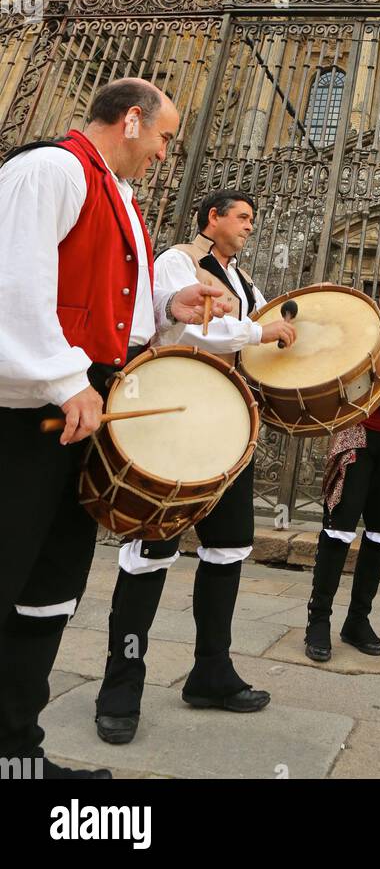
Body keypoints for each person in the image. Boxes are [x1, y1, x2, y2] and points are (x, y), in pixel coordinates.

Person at [0, 79, 219, 779]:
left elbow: (107, 300)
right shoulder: (49, 169)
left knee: (49, 590)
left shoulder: (118, 194)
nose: (164, 153)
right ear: (131, 119)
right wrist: (68, 381)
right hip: (27, 416)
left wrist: (169, 302)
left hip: (75, 407)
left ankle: (15, 754)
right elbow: (14, 285)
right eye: (162, 137)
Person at [94, 188, 296, 745]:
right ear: (214, 217)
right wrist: (260, 331)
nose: (250, 226)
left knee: (227, 550)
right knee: (150, 553)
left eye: (253, 218)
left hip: (229, 424)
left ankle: (211, 673)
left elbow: (255, 338)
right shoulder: (177, 262)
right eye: (243, 216)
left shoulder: (246, 284)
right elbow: (195, 327)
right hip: (174, 420)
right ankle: (120, 686)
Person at [304, 272, 380, 663]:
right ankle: (318, 621)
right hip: (358, 435)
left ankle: (357, 620)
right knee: (338, 529)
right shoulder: (361, 324)